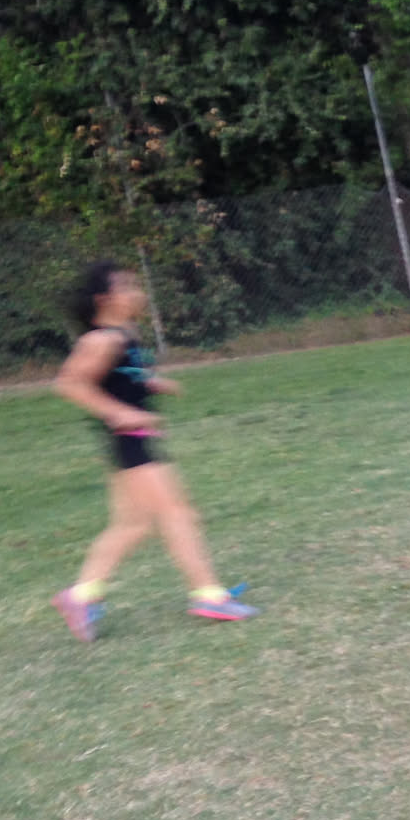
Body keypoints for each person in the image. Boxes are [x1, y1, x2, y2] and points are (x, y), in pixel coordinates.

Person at [49, 262, 258, 641]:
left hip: (135, 438)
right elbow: (70, 384)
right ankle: (209, 595)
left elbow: (123, 375)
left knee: (134, 524)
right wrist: (118, 413)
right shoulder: (101, 340)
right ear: (104, 299)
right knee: (177, 512)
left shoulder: (125, 334)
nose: (137, 293)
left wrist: (151, 383)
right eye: (127, 287)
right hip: (129, 438)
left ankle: (80, 597)